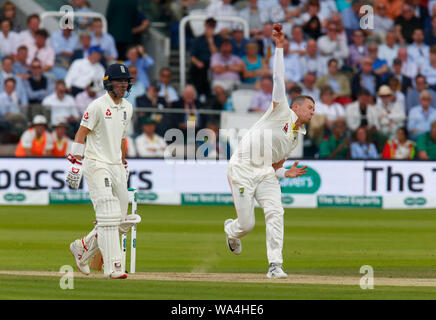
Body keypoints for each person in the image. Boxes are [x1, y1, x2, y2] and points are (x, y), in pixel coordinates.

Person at [224, 25, 314, 279]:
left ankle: (275, 265)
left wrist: (286, 172)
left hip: (265, 173)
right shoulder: (281, 109)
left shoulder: (296, 137)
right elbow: (278, 78)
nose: (312, 112)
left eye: (314, 110)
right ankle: (231, 230)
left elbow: (274, 167)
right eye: (310, 107)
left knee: (276, 212)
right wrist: (279, 47)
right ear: (296, 106)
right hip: (241, 168)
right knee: (246, 225)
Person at [67, 63, 137, 279]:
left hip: (116, 165)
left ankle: (82, 248)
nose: (123, 85)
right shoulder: (97, 106)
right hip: (96, 163)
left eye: (125, 82)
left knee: (122, 220)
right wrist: (75, 163)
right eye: (119, 81)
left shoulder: (127, 107)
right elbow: (81, 134)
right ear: (109, 83)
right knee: (108, 213)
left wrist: (124, 165)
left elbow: (122, 139)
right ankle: (113, 268)